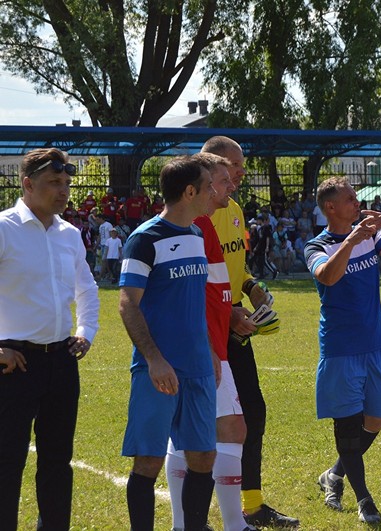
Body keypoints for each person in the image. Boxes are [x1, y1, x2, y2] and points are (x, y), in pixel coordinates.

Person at [0, 148, 99, 531]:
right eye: (54, 182)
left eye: (67, 183)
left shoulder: (69, 234)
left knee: (58, 461)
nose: (64, 191)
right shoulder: (5, 228)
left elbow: (87, 289)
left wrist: (86, 331)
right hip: (14, 363)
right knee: (7, 461)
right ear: (27, 184)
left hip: (60, 361)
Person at [202, 136, 298, 528]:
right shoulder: (198, 215)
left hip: (234, 325)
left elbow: (233, 266)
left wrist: (251, 286)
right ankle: (194, 510)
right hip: (207, 327)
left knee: (252, 413)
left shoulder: (235, 209)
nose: (241, 173)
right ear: (212, 166)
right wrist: (228, 313)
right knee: (204, 420)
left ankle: (253, 505)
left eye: (241, 166)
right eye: (234, 166)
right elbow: (194, 279)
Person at [119, 157, 218, 531]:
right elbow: (128, 303)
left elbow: (192, 301)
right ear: (190, 191)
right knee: (148, 461)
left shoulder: (197, 235)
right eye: (208, 186)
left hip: (198, 366)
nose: (213, 193)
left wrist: (209, 349)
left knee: (204, 456)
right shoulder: (145, 238)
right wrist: (154, 359)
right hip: (157, 370)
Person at [306, 177, 381, 524]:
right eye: (350, 199)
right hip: (341, 349)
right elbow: (327, 276)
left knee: (375, 421)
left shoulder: (371, 237)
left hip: (375, 345)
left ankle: (333, 474)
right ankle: (364, 500)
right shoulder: (316, 245)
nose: (357, 203)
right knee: (348, 428)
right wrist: (350, 241)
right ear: (331, 207)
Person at [164, 152, 260, 531]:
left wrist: (233, 312)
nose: (229, 186)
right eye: (221, 181)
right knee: (232, 428)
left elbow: (213, 286)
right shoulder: (193, 226)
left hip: (213, 342)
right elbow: (184, 295)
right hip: (203, 348)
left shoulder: (205, 223)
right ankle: (233, 524)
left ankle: (187, 523)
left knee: (191, 434)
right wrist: (207, 345)